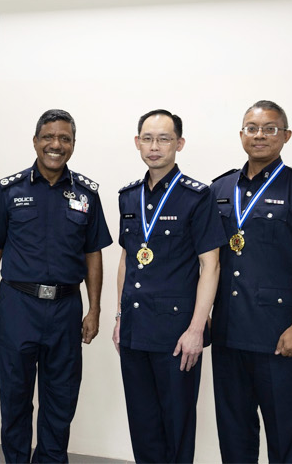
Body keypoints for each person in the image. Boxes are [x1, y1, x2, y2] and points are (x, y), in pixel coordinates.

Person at [209, 100, 292, 464]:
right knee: (234, 434)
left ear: (286, 136)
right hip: (228, 332)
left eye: (270, 128)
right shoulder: (220, 188)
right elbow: (209, 262)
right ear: (242, 134)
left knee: (284, 435)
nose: (259, 135)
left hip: (279, 335)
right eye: (252, 128)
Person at [0, 108, 111, 463]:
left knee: (60, 400)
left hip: (65, 309)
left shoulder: (86, 195)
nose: (55, 145)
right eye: (48, 137)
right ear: (35, 141)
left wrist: (95, 309)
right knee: (15, 397)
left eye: (64, 138)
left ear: (73, 145)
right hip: (17, 306)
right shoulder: (9, 191)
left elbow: (93, 254)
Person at [114, 108, 223, 464]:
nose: (155, 146)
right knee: (142, 425)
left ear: (179, 143)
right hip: (134, 329)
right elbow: (127, 260)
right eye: (147, 138)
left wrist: (196, 329)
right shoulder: (128, 196)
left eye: (163, 138)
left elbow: (211, 265)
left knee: (175, 426)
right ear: (137, 143)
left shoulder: (197, 196)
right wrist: (118, 318)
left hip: (176, 334)